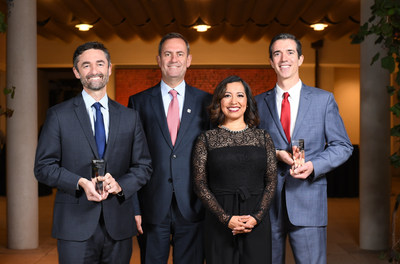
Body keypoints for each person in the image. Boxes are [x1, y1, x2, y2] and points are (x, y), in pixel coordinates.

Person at [34, 41, 152, 264]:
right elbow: (43, 167)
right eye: (86, 65)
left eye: (100, 63)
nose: (94, 70)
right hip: (74, 225)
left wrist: (121, 185)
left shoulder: (130, 117)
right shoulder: (58, 115)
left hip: (118, 223)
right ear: (76, 72)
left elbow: (143, 166)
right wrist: (80, 182)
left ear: (109, 69)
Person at [255, 33, 353, 264]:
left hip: (308, 199)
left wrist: (313, 165)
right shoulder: (257, 103)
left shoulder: (323, 100)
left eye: (290, 52)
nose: (283, 58)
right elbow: (250, 148)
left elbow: (343, 146)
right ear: (271, 61)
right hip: (267, 204)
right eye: (277, 53)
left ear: (300, 59)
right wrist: (274, 153)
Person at [128, 32, 212, 264]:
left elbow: (213, 158)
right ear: (158, 60)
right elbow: (131, 158)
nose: (173, 59)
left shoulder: (207, 102)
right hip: (152, 206)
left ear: (189, 60)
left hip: (194, 205)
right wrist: (133, 206)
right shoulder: (139, 102)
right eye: (167, 54)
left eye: (179, 54)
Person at [192, 75, 277, 264]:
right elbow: (199, 184)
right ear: (219, 102)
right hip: (219, 218)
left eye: (240, 95)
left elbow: (271, 180)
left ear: (248, 101)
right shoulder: (206, 139)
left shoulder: (264, 137)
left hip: (256, 217)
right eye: (227, 95)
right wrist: (225, 218)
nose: (234, 101)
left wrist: (257, 217)